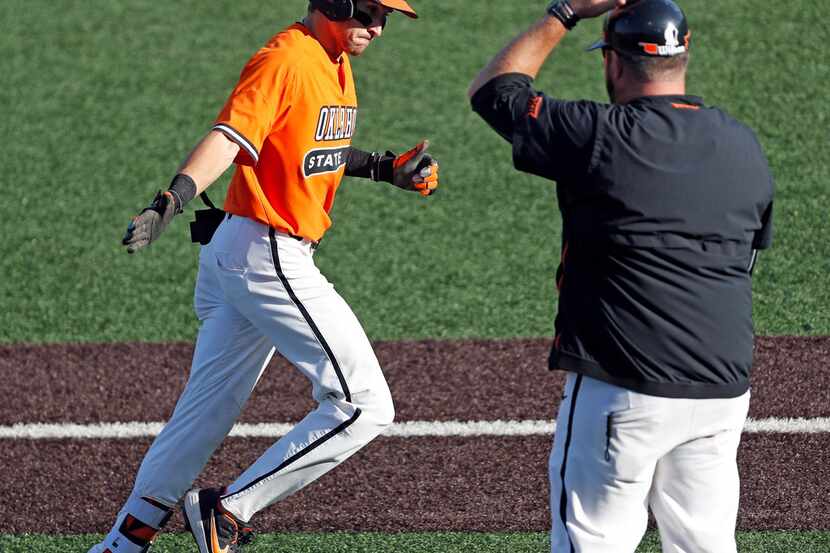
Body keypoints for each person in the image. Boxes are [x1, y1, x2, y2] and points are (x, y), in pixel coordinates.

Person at [89, 1, 438, 552]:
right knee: (365, 405)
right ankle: (225, 511)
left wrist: (383, 167)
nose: (377, 26)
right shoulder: (285, 57)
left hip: (240, 253)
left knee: (204, 413)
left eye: (386, 16)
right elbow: (230, 136)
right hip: (266, 254)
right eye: (368, 11)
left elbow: (310, 146)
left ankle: (123, 543)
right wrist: (169, 201)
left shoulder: (334, 60)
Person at [469, 0, 774, 551]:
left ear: (613, 63)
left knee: (594, 540)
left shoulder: (597, 135)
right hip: (721, 391)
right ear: (684, 56)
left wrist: (565, 12)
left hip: (624, 385)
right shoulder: (742, 144)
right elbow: (749, 253)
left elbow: (494, 90)